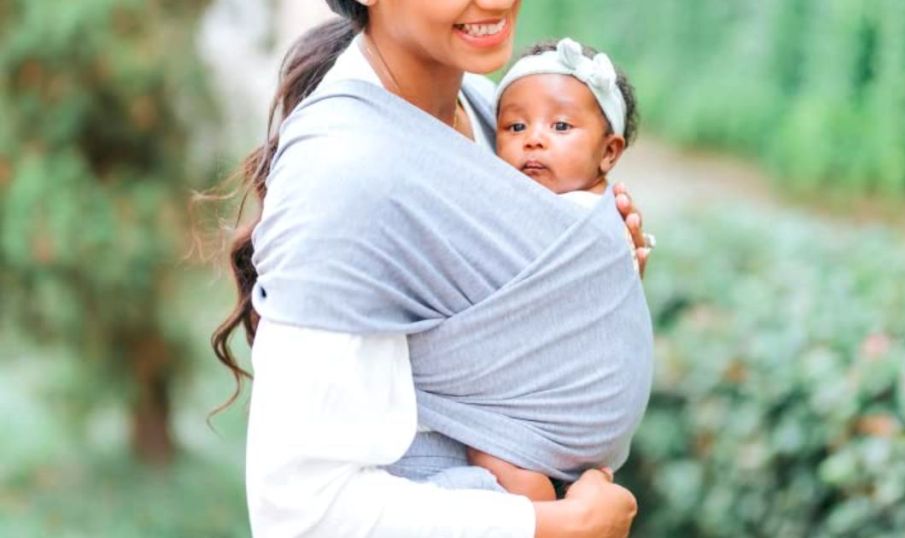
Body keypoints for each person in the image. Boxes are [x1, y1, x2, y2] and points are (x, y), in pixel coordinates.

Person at [212, 1, 653, 536]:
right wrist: (554, 525)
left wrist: (586, 287)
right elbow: (301, 511)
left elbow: (507, 332)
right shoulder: (344, 175)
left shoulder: (490, 112)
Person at [464, 37, 645, 501]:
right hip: (596, 414)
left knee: (486, 447)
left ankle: (544, 510)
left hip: (573, 402)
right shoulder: (598, 210)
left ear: (609, 153)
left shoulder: (577, 215)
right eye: (515, 126)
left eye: (560, 126)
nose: (534, 138)